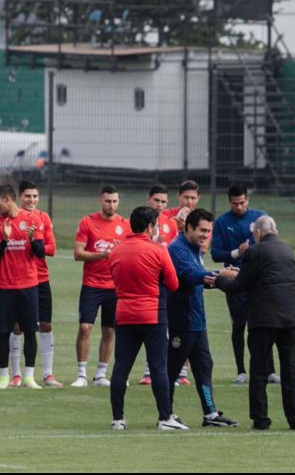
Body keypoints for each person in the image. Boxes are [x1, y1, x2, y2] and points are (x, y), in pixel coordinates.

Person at [215, 216, 295, 431]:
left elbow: (239, 285)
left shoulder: (254, 251)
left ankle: (261, 418)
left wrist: (220, 279)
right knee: (290, 369)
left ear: (257, 233)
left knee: (258, 369)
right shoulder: (287, 250)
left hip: (264, 318)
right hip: (289, 317)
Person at [108, 206, 187, 431]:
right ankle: (164, 418)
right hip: (152, 314)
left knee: (121, 367)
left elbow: (115, 278)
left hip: (124, 314)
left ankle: (118, 419)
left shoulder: (115, 251)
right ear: (150, 227)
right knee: (158, 368)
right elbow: (173, 284)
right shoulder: (158, 250)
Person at [167, 209, 239, 427]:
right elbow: (189, 275)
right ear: (188, 227)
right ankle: (166, 414)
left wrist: (217, 277)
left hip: (198, 321)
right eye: (202, 230)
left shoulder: (194, 249)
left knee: (204, 366)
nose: (206, 235)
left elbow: (198, 279)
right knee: (171, 368)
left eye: (209, 231)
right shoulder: (177, 249)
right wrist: (220, 274)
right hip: (182, 321)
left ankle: (210, 414)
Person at [211, 184, 278, 385]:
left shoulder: (259, 218)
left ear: (247, 200)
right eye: (234, 203)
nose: (239, 207)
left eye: (242, 202)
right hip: (235, 278)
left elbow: (271, 244)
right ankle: (241, 371)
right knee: (239, 324)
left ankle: (270, 371)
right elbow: (215, 254)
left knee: (263, 325)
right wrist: (236, 253)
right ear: (229, 202)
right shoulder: (223, 222)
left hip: (258, 279)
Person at [72, 186, 131, 388]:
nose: (111, 205)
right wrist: (103, 255)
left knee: (109, 331)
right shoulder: (87, 222)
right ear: (100, 201)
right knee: (85, 327)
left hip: (115, 287)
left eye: (114, 201)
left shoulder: (125, 225)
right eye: (108, 201)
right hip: (92, 285)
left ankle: (100, 375)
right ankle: (81, 374)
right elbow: (78, 253)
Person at [0, 184, 45, 390]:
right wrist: (4, 239)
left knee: (30, 331)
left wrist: (32, 240)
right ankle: (4, 376)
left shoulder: (32, 220)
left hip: (28, 285)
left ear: (7, 200)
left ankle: (29, 377)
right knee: (4, 331)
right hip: (4, 286)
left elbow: (40, 253)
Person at [8, 181, 62, 388]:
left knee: (45, 325)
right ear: (19, 198)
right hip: (18, 280)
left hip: (40, 279)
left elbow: (51, 248)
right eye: (27, 196)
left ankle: (48, 374)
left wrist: (34, 242)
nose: (32, 200)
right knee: (17, 326)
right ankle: (16, 374)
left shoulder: (43, 217)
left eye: (35, 196)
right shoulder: (11, 219)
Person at [138, 184, 181, 386]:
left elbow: (173, 252)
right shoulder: (140, 221)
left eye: (164, 201)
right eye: (156, 200)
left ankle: (174, 371)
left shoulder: (171, 224)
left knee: (168, 326)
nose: (160, 205)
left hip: (165, 280)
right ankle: (148, 371)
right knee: (150, 327)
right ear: (149, 200)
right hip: (146, 282)